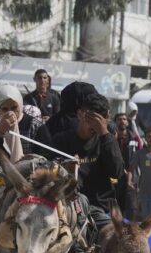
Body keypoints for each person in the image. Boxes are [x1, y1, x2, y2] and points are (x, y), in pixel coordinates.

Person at [51, 92, 124, 224]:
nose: (93, 126)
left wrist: (104, 133)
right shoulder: (61, 140)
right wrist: (67, 172)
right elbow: (50, 175)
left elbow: (117, 173)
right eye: (89, 119)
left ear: (106, 117)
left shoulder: (107, 140)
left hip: (99, 209)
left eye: (98, 121)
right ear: (80, 114)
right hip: (66, 206)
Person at [0, 85, 52, 163]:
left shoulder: (35, 126)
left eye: (14, 108)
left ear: (20, 106)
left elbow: (46, 157)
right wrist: (0, 132)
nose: (10, 113)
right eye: (5, 109)